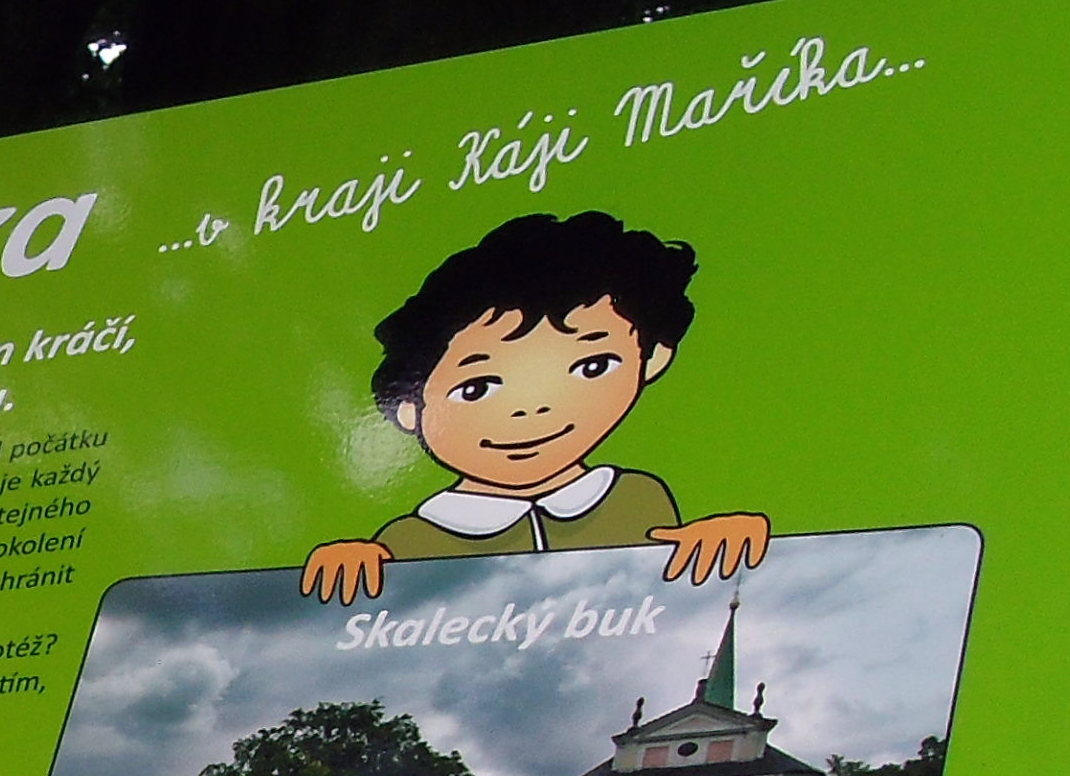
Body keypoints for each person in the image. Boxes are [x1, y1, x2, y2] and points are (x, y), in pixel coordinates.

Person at [299, 210, 769, 602]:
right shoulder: (411, 540)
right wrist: (346, 565)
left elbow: (676, 602)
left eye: (592, 366)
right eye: (477, 388)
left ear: (653, 359)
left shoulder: (637, 498)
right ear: (408, 407)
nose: (532, 411)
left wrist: (722, 545)